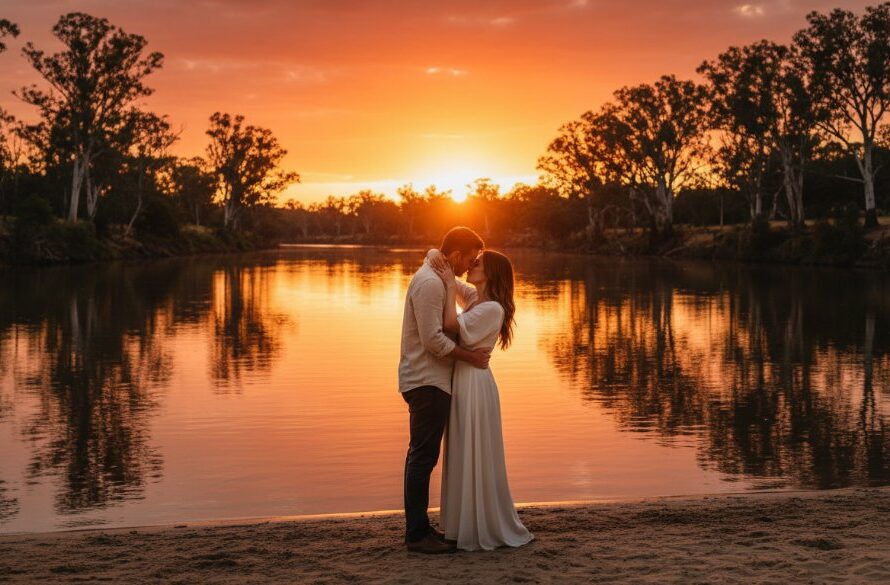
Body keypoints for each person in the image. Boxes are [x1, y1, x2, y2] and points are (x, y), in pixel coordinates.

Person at [430, 248, 534, 552]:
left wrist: (449, 285)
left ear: (491, 273)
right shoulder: (479, 300)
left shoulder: (492, 309)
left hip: (475, 384)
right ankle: (463, 523)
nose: (470, 266)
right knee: (464, 448)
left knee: (473, 448)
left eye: (477, 264)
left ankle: (480, 525)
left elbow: (451, 326)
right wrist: (441, 260)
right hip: (465, 380)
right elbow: (460, 287)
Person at [398, 226, 489, 554]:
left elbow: (475, 295)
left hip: (433, 380)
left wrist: (456, 282)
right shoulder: (429, 283)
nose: (471, 263)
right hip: (425, 380)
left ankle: (419, 528)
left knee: (423, 455)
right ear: (455, 255)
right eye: (469, 258)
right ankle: (417, 535)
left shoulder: (441, 279)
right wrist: (472, 357)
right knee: (422, 456)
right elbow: (433, 341)